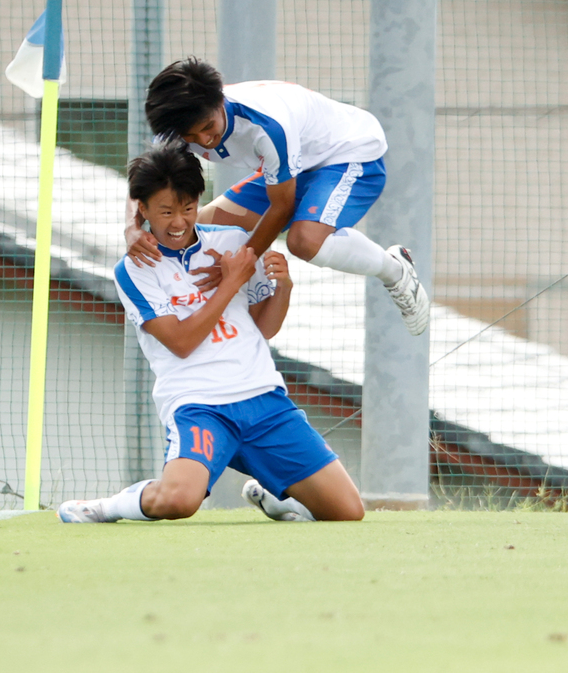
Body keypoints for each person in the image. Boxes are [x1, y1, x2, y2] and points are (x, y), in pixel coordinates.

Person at [59, 140, 364, 524]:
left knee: (347, 512)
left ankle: (279, 499)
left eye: (187, 208)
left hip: (263, 400)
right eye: (166, 211)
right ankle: (110, 506)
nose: (178, 222)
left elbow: (264, 328)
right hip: (199, 405)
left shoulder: (232, 242)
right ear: (142, 209)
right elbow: (182, 342)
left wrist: (283, 287)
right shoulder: (134, 269)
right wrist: (230, 282)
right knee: (178, 502)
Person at [123, 57, 429, 336]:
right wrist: (132, 226)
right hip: (288, 167)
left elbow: (281, 207)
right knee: (200, 227)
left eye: (208, 128)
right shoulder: (175, 126)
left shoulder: (267, 127)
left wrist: (238, 268)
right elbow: (150, 175)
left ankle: (394, 267)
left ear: (220, 103)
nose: (204, 141)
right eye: (192, 137)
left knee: (304, 242)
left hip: (346, 155)